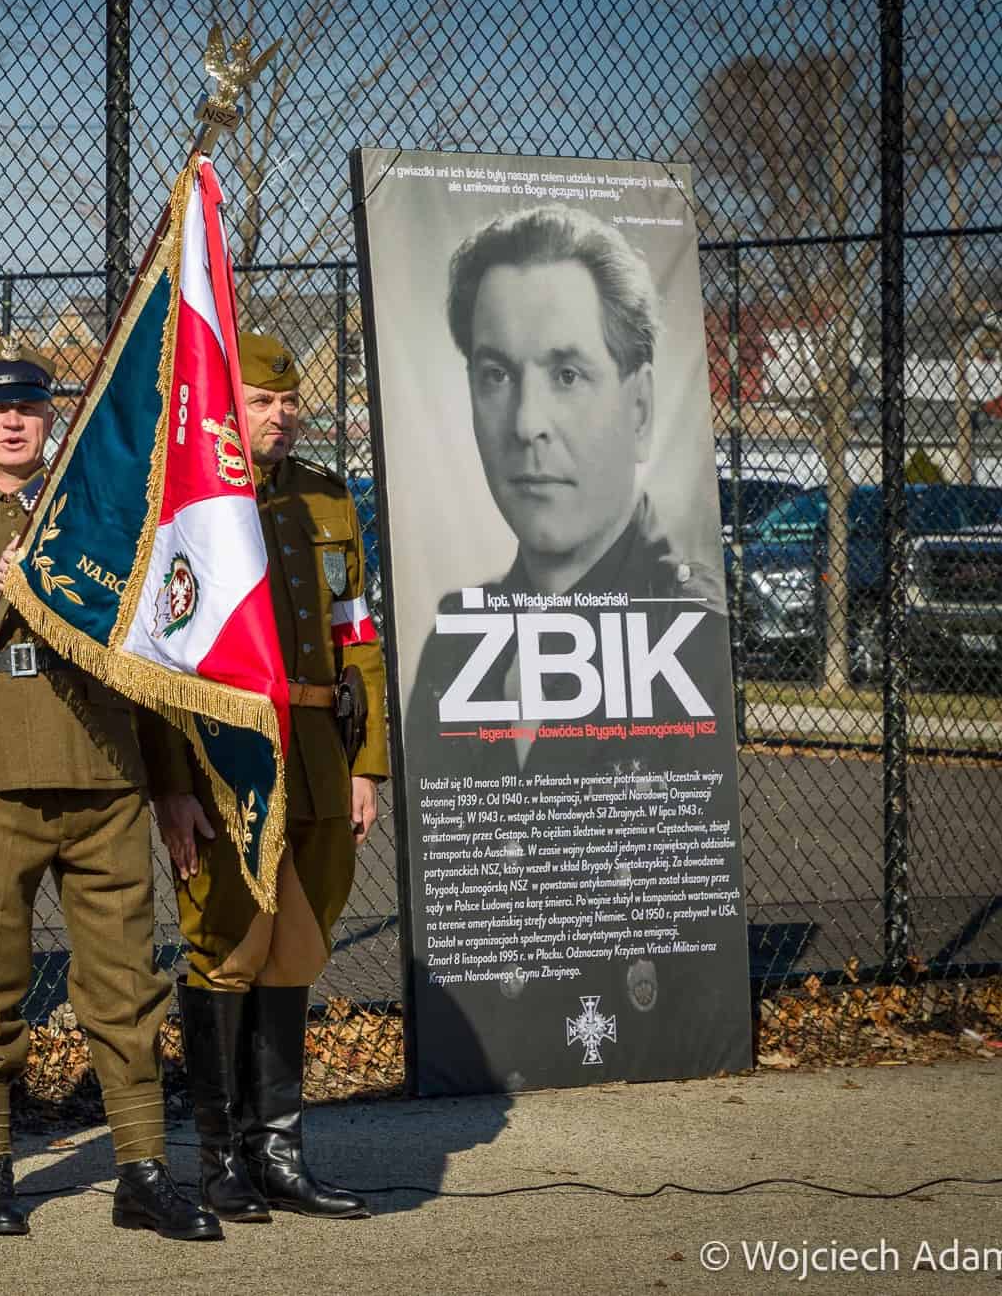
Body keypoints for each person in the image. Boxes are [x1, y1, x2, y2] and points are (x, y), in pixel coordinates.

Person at [0, 337, 220, 1243]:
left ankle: (142, 1172)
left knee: (126, 986)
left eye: (29, 406)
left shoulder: (101, 512)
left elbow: (152, 655)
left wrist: (172, 785)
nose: (14, 422)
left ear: (52, 415)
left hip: (104, 776)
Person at [144, 332, 386, 1224]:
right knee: (229, 947)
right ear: (223, 406)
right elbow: (159, 656)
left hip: (319, 751)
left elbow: (357, 629)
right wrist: (172, 786)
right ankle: (218, 1162)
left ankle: (277, 1155)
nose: (280, 415)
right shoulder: (186, 504)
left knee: (299, 947)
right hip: (227, 757)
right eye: (260, 401)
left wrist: (366, 763)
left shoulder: (325, 497)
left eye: (289, 402)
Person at [407, 203, 727, 783]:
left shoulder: (694, 635)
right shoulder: (454, 649)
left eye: (567, 375)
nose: (527, 423)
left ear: (640, 409)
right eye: (497, 374)